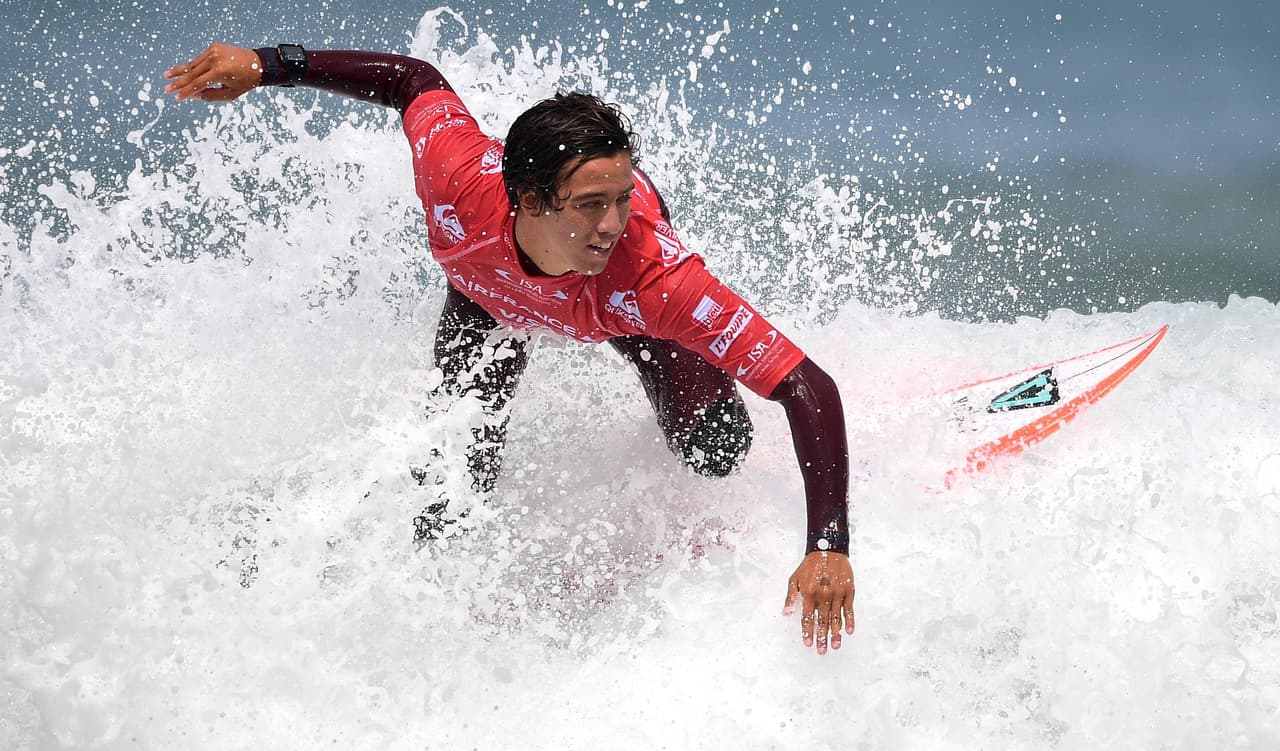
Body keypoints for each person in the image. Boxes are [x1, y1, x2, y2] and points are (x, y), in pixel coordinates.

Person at [163, 42, 856, 655]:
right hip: (485, 295)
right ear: (526, 197)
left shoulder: (653, 277)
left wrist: (827, 546)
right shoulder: (460, 178)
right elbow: (412, 80)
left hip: (622, 313)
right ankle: (434, 633)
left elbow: (807, 385)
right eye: (591, 204)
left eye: (620, 198)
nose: (613, 222)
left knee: (716, 447)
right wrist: (270, 66)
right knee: (451, 486)